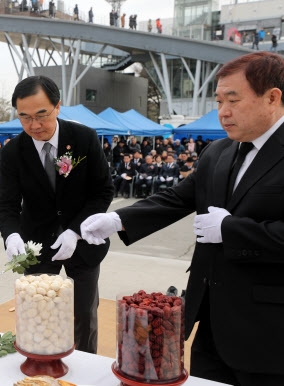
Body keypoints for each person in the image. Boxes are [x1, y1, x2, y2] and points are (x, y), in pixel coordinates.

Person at [80, 52, 284, 385]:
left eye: (233, 100)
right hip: (210, 324)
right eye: (219, 101)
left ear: (272, 97)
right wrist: (117, 221)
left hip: (268, 332)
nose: (223, 112)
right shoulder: (219, 152)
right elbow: (177, 198)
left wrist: (231, 230)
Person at [0, 75, 113, 354]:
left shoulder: (83, 138)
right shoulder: (13, 151)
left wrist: (75, 231)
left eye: (41, 115)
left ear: (58, 106)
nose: (34, 125)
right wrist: (11, 234)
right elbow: (8, 204)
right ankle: (41, 364)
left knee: (84, 314)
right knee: (38, 312)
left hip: (83, 244)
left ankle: (84, 369)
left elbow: (103, 192)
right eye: (24, 117)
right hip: (36, 244)